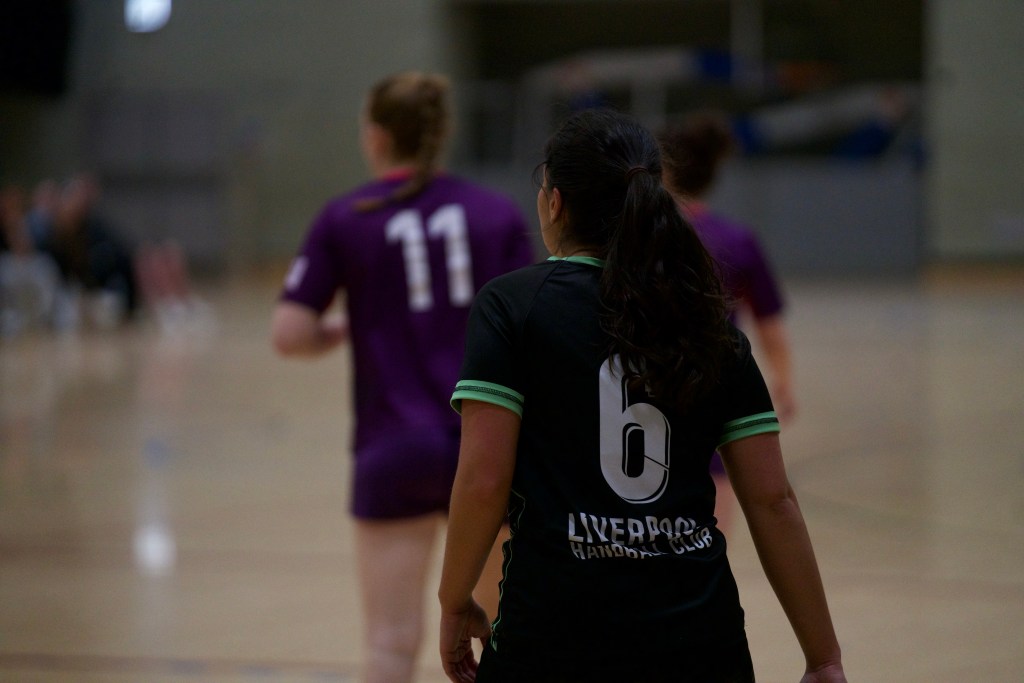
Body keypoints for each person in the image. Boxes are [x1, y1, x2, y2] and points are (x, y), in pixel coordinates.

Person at [438, 109, 845, 682]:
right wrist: (823, 657)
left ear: (554, 203)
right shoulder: (708, 322)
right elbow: (773, 500)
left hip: (552, 638)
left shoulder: (512, 306)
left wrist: (454, 599)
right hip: (700, 643)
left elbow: (483, 479)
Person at [270, 72, 534, 683]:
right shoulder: (495, 214)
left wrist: (345, 329)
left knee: (390, 644)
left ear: (377, 137)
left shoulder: (347, 216)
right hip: (489, 450)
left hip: (393, 447)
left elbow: (288, 333)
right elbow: (533, 329)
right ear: (441, 134)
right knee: (502, 638)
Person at [660, 112, 797, 530]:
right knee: (712, 521)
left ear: (663, 171)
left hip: (641, 383)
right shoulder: (737, 239)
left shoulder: (636, 236)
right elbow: (769, 323)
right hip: (713, 388)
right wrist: (783, 380)